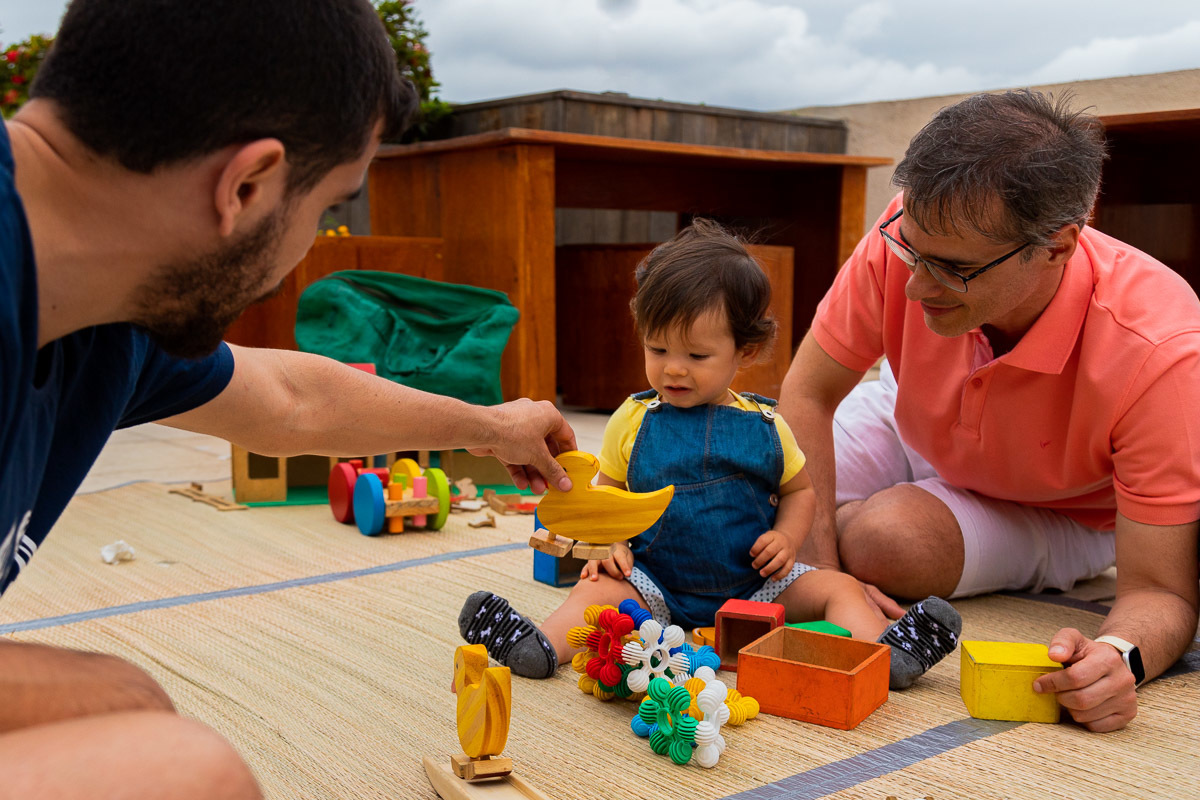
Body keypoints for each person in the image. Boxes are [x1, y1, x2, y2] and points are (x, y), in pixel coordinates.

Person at [0, 1, 576, 797]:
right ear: (248, 183)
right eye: (330, 207)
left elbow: (291, 401)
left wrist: (491, 426)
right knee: (179, 769)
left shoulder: (109, 314)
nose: (309, 243)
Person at [778, 89, 1200, 733]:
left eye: (952, 268)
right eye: (910, 248)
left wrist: (1117, 657)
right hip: (912, 413)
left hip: (1062, 509)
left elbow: (1159, 590)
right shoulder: (920, 232)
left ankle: (857, 520)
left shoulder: (1162, 350)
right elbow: (807, 393)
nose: (916, 285)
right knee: (751, 486)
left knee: (884, 542)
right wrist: (824, 579)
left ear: (1058, 245)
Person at [457, 220, 961, 689]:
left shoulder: (768, 425)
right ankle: (540, 646)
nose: (674, 370)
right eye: (657, 350)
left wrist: (787, 537)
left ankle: (882, 656)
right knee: (593, 594)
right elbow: (606, 493)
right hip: (655, 583)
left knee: (840, 588)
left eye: (696, 356)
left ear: (745, 351)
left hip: (756, 585)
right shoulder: (632, 419)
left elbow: (799, 491)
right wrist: (609, 544)